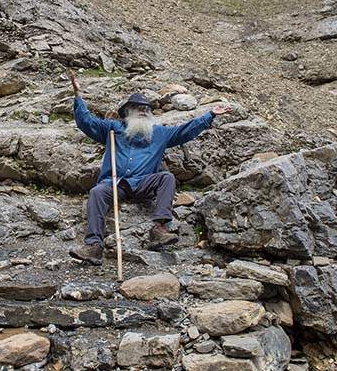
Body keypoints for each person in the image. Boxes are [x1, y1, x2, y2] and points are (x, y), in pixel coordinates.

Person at [67, 71, 232, 265]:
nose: (143, 111)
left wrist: (210, 115)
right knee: (97, 192)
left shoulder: (159, 133)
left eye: (146, 108)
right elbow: (87, 122)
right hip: (116, 183)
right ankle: (94, 246)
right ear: (127, 112)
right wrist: (78, 96)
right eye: (138, 108)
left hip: (145, 183)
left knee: (167, 178)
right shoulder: (112, 129)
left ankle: (159, 230)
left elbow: (185, 130)